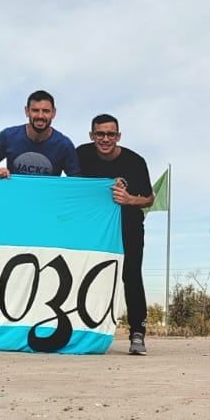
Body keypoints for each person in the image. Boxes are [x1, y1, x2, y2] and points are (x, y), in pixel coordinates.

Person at [76, 114, 154, 356]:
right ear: (92, 136)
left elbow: (150, 198)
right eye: (100, 134)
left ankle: (137, 333)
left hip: (128, 226)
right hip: (93, 229)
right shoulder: (81, 155)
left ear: (118, 136)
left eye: (111, 134)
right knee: (87, 274)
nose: (105, 139)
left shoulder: (135, 161)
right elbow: (69, 187)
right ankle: (82, 331)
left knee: (131, 276)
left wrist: (130, 199)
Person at [0, 91, 79, 179]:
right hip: (15, 196)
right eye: (35, 110)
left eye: (46, 111)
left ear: (53, 113)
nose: (40, 116)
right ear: (27, 111)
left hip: (47, 197)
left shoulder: (64, 145)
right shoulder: (8, 136)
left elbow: (76, 181)